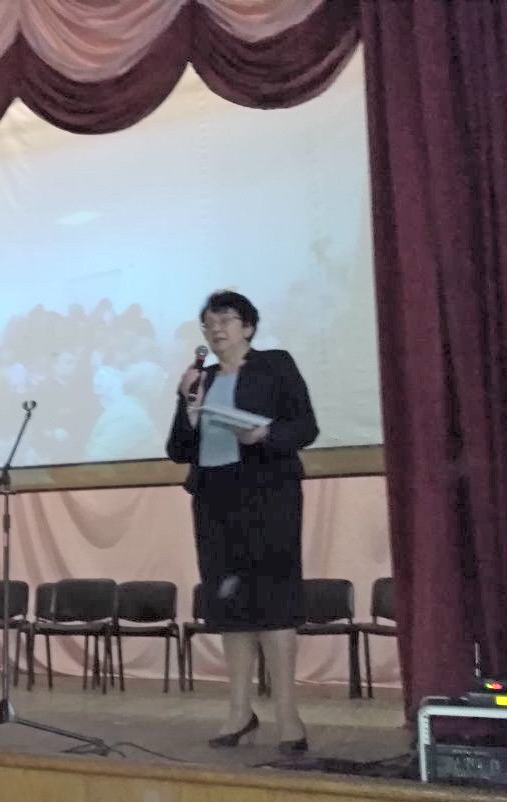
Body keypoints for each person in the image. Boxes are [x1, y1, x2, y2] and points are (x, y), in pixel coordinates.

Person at [166, 291, 318, 754]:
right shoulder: (202, 379)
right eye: (208, 323)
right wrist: (187, 406)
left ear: (248, 327)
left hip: (268, 495)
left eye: (226, 320)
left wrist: (265, 433)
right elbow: (178, 450)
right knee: (228, 605)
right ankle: (239, 712)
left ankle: (288, 715)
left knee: (273, 601)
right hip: (214, 498)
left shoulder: (275, 365)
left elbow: (306, 427)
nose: (216, 329)